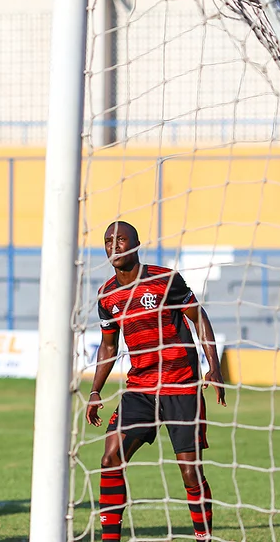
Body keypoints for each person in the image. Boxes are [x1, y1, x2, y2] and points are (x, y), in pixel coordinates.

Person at [87, 221, 227, 542]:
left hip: (180, 386)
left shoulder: (165, 280)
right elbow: (109, 346)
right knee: (110, 459)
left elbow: (198, 316)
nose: (114, 246)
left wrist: (213, 367)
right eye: (109, 241)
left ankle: (203, 537)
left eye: (122, 240)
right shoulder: (107, 295)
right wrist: (95, 390)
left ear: (136, 245)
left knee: (190, 473)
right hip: (140, 389)